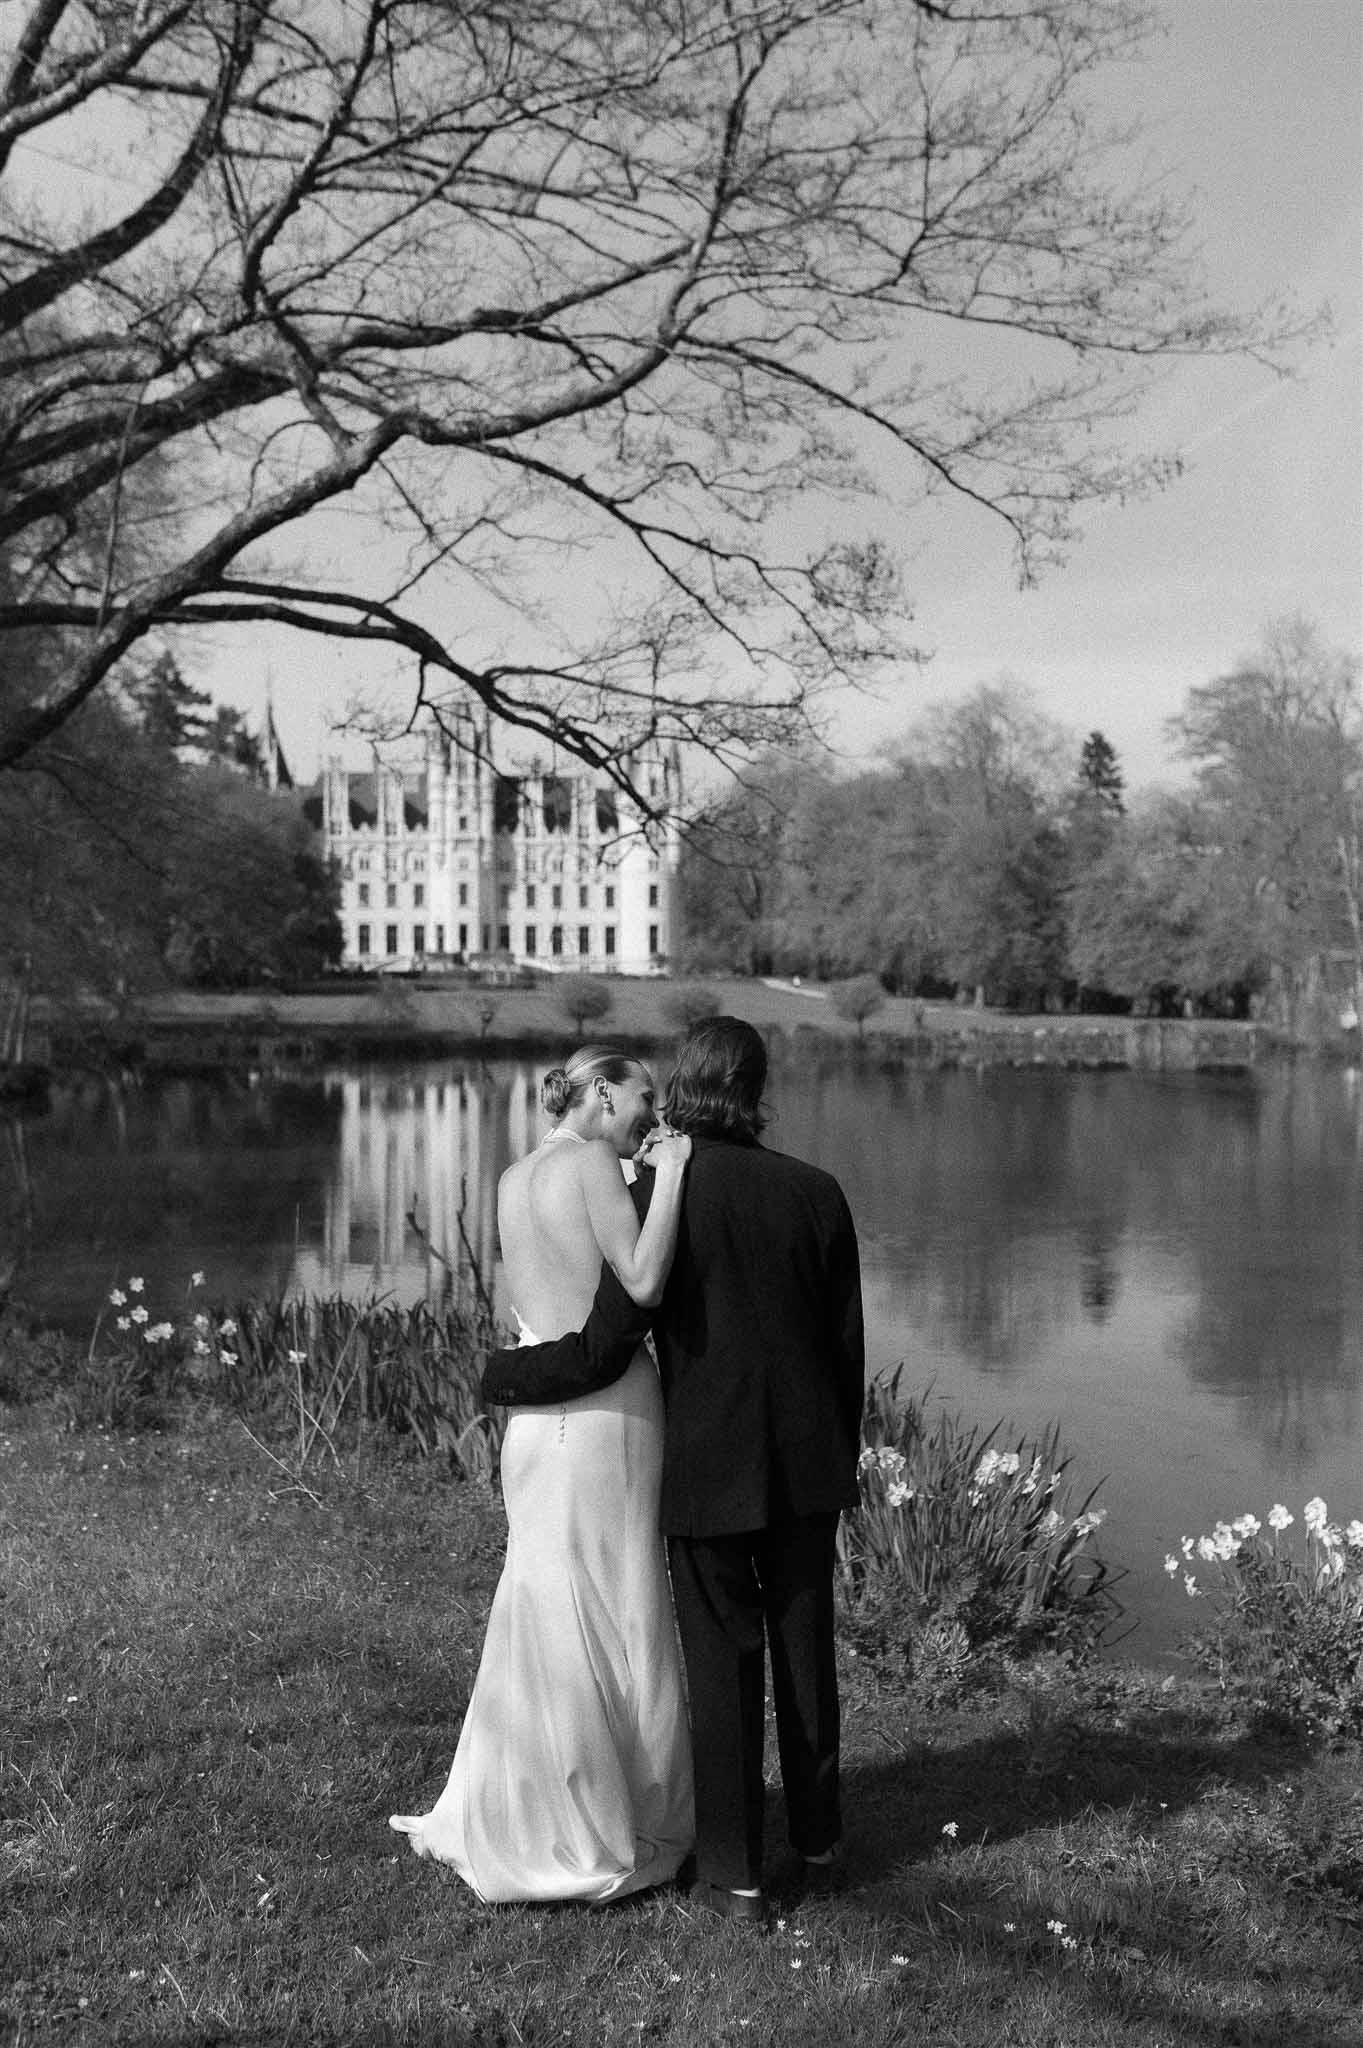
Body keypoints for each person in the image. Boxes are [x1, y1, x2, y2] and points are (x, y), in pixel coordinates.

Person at [495, 1017, 865, 1923]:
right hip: (803, 1466)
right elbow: (845, 1351)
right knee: (806, 1657)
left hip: (703, 1465)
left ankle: (735, 1872)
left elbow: (610, 1338)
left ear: (687, 1086)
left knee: (721, 1667)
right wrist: (836, 1458)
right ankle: (818, 1845)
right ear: (759, 1084)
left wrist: (502, 1375)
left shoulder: (654, 1189)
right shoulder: (817, 1192)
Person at [389, 1046, 695, 1903]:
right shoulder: (598, 1162)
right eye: (645, 1097)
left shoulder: (513, 1176)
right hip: (604, 1417)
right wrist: (666, 1176)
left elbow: (514, 1316)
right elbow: (639, 1279)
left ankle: (520, 1803)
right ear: (603, 1090)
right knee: (615, 1600)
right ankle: (600, 1820)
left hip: (533, 1417)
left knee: (541, 1598)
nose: (652, 1116)